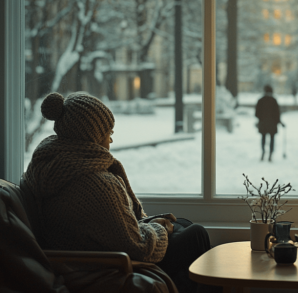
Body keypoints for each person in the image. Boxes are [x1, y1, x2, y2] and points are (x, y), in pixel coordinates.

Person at [21, 91, 213, 293]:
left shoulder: (48, 166)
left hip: (81, 253)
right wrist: (159, 228)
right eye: (108, 134)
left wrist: (154, 224)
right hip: (103, 262)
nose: (110, 142)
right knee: (196, 234)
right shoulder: (94, 184)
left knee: (183, 225)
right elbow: (137, 247)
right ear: (91, 136)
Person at [255, 85, 285, 162]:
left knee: (263, 138)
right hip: (272, 124)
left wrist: (260, 119)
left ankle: (263, 152)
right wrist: (279, 122)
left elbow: (257, 113)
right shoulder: (274, 100)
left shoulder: (261, 100)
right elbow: (277, 113)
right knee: (272, 139)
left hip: (263, 123)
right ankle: (270, 154)